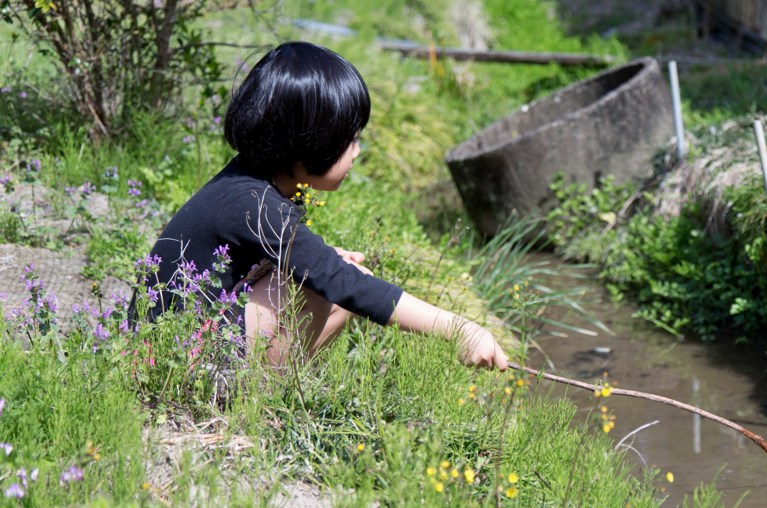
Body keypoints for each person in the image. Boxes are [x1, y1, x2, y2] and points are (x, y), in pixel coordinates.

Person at [139, 41, 507, 371]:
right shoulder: (251, 203)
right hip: (170, 362)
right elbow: (337, 281)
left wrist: (328, 263)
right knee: (326, 281)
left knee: (338, 274)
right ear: (309, 141)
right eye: (349, 140)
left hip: (190, 342)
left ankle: (273, 390)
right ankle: (255, 397)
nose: (357, 152)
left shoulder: (258, 182)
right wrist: (461, 330)